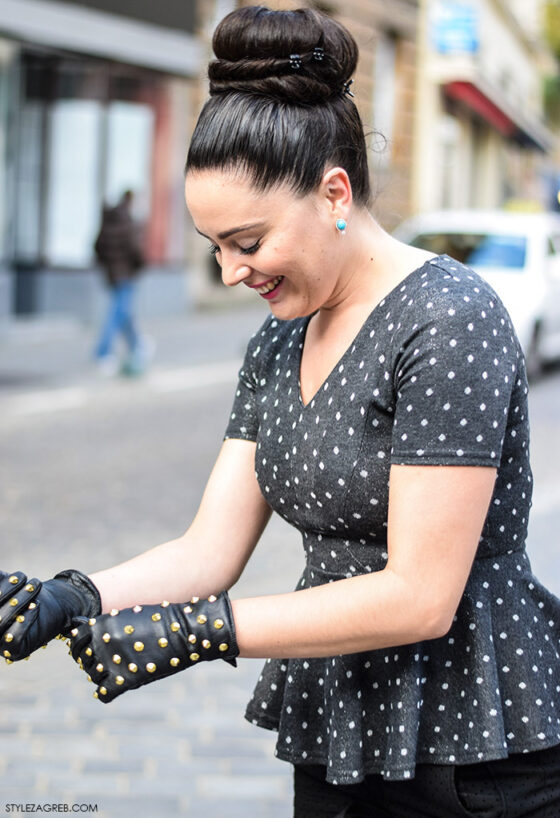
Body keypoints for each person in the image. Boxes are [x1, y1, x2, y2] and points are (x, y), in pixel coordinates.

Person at [2, 6, 559, 816]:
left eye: (249, 241)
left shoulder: (450, 320)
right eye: (214, 247)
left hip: (475, 744)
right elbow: (208, 549)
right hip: (338, 726)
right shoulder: (280, 338)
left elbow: (419, 594)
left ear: (335, 191)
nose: (231, 272)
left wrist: (204, 632)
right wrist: (73, 596)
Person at [93, 190, 153, 376]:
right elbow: (135, 250)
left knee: (124, 311)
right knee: (118, 313)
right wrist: (140, 265)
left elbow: (97, 247)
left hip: (112, 274)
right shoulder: (127, 222)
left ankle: (138, 345)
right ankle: (103, 352)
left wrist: (107, 266)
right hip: (125, 274)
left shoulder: (109, 220)